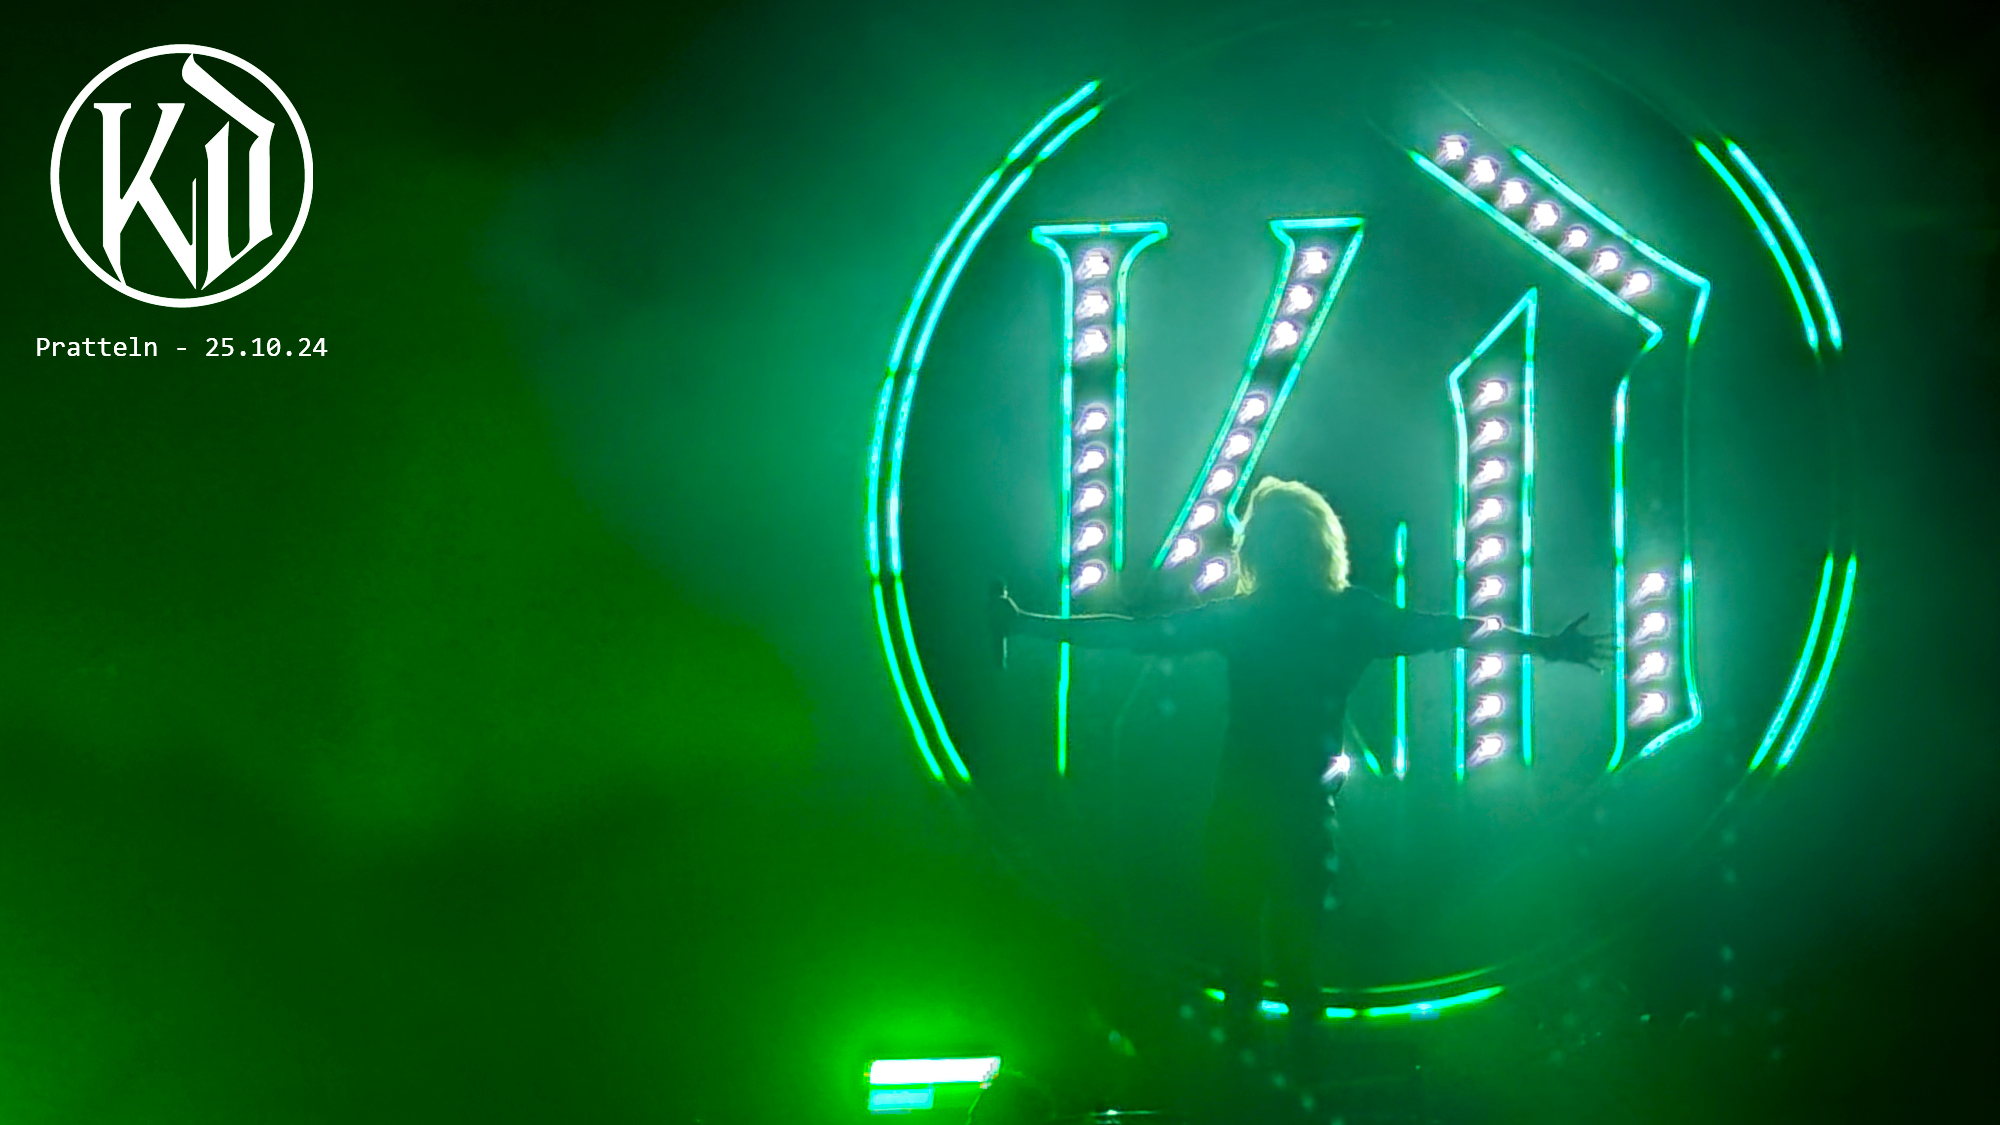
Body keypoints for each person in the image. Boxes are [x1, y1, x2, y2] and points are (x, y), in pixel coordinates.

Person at [993, 477, 1609, 1077]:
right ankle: (1298, 1092)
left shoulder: (1247, 618)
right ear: (1322, 543)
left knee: (1239, 971)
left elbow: (1137, 637)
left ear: (1257, 549)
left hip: (1240, 809)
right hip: (1305, 815)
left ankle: (1243, 1094)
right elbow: (1451, 630)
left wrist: (1028, 624)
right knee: (1298, 972)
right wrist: (1545, 646)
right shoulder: (1349, 615)